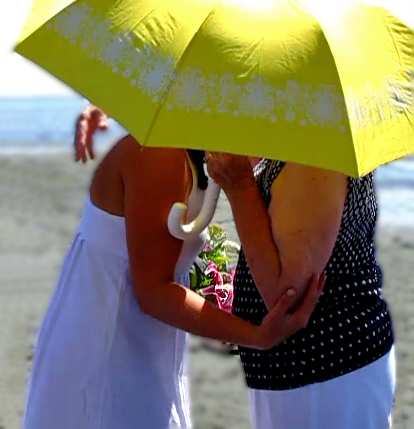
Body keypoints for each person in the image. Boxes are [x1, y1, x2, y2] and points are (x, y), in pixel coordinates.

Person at [22, 104, 325, 429]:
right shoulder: (162, 154)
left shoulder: (189, 155)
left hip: (137, 339)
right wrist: (256, 336)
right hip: (106, 349)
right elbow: (153, 291)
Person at [206, 152, 396, 429]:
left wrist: (240, 186)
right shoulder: (306, 144)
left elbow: (286, 297)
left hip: (324, 367)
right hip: (317, 371)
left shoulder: (314, 159)